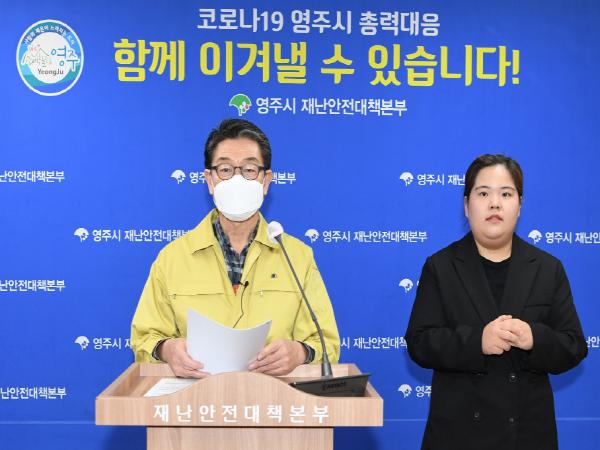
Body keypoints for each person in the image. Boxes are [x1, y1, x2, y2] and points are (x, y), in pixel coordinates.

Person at [131, 119, 340, 378]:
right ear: (209, 180)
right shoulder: (172, 258)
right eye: (226, 169)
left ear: (266, 181)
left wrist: (300, 353)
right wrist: (167, 350)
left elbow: (327, 344)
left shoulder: (297, 256)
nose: (237, 180)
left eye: (249, 169)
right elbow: (144, 339)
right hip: (196, 397)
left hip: (275, 397)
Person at [405, 154, 587, 450]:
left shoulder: (547, 268)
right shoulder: (441, 266)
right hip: (458, 436)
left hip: (527, 435)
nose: (494, 204)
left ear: (520, 205)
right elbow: (419, 342)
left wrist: (534, 338)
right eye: (483, 194)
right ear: (467, 205)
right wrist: (478, 341)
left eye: (506, 194)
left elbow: (574, 345)